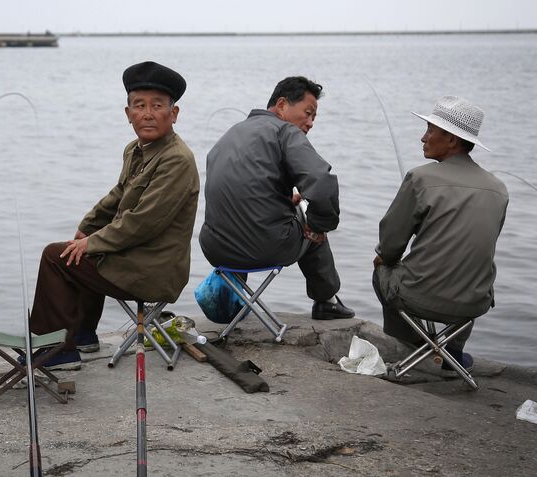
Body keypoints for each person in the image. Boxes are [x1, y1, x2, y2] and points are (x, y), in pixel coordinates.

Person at [26, 61, 199, 370]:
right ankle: (83, 336)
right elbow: (118, 195)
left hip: (155, 268)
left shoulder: (177, 160)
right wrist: (86, 228)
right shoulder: (136, 149)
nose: (147, 113)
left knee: (56, 257)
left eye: (157, 106)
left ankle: (56, 352)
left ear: (173, 114)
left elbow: (142, 223)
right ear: (128, 113)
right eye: (139, 105)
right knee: (75, 248)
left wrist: (92, 243)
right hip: (134, 256)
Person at [199, 76, 354, 320]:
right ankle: (327, 301)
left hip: (215, 249)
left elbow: (242, 192)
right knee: (310, 215)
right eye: (308, 112)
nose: (311, 122)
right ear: (281, 104)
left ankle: (234, 299)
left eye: (314, 117)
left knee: (253, 215)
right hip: (265, 247)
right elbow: (322, 184)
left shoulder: (230, 133)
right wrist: (318, 224)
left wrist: (281, 199)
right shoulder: (285, 131)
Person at [373, 96, 508, 372]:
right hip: (475, 301)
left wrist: (384, 259)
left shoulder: (420, 178)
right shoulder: (499, 189)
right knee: (472, 266)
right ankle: (453, 350)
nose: (423, 138)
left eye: (430, 131)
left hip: (419, 298)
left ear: (451, 141)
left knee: (382, 268)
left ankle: (425, 347)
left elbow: (390, 244)